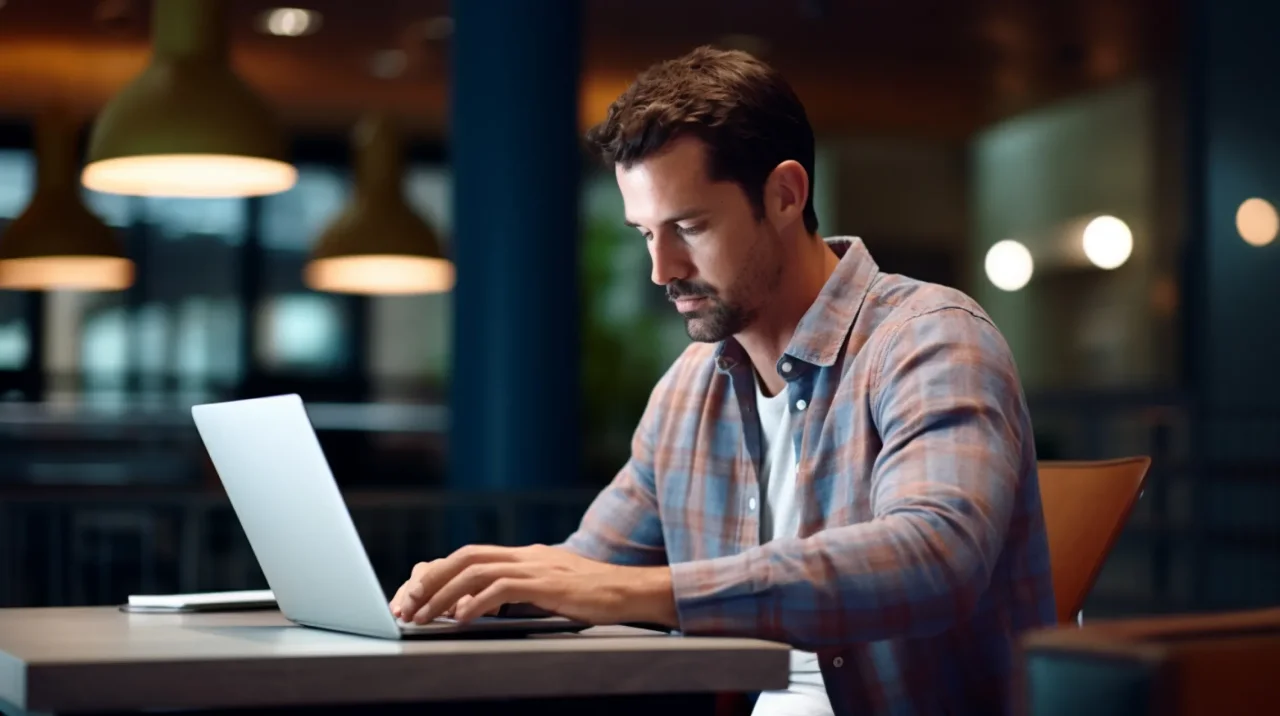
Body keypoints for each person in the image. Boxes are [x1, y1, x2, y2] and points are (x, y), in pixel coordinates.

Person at [390, 46, 1056, 715]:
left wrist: (637, 591)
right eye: (646, 234)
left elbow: (935, 559)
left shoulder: (931, 337)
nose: (662, 269)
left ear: (786, 195)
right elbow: (589, 568)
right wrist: (483, 584)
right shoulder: (690, 389)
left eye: (689, 227)